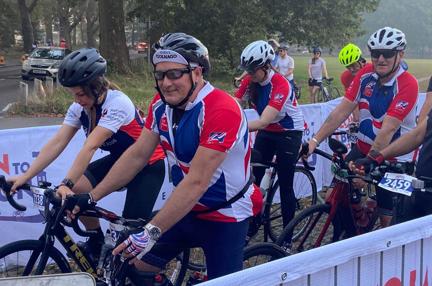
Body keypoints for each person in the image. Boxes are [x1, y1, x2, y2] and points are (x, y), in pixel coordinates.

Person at [69, 33, 262, 282]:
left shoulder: (221, 109)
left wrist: (150, 231)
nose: (166, 83)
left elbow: (197, 181)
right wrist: (91, 197)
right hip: (187, 209)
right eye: (160, 75)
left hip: (226, 215)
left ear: (197, 72)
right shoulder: (160, 105)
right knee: (131, 265)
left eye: (174, 74)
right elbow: (137, 156)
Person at [8, 47, 166, 259]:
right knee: (78, 192)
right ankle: (96, 239)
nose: (76, 100)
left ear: (97, 87)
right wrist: (26, 176)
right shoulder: (79, 109)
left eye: (80, 94)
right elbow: (57, 142)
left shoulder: (117, 103)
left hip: (148, 165)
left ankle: (147, 276)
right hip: (120, 160)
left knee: (129, 236)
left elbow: (89, 147)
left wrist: (66, 184)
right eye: (73, 94)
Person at [305, 27, 419, 226]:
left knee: (387, 222)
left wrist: (368, 163)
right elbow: (341, 111)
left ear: (400, 54)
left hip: (393, 158)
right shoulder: (365, 74)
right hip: (363, 148)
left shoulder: (407, 84)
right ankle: (350, 235)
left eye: (388, 54)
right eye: (375, 54)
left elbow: (388, 129)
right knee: (335, 195)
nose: (380, 59)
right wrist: (314, 140)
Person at [235, 40, 304, 236]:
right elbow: (234, 103)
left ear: (266, 66)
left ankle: (287, 237)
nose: (249, 74)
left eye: (253, 70)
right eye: (247, 70)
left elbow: (264, 121)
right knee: (254, 177)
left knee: (285, 183)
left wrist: (233, 128)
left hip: (289, 132)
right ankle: (254, 220)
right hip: (268, 131)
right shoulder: (250, 80)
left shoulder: (280, 84)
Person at [338, 43, 368, 124]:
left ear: (361, 61)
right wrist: (356, 119)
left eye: (353, 65)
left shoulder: (373, 71)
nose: (351, 69)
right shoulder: (346, 77)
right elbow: (352, 101)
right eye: (348, 66)